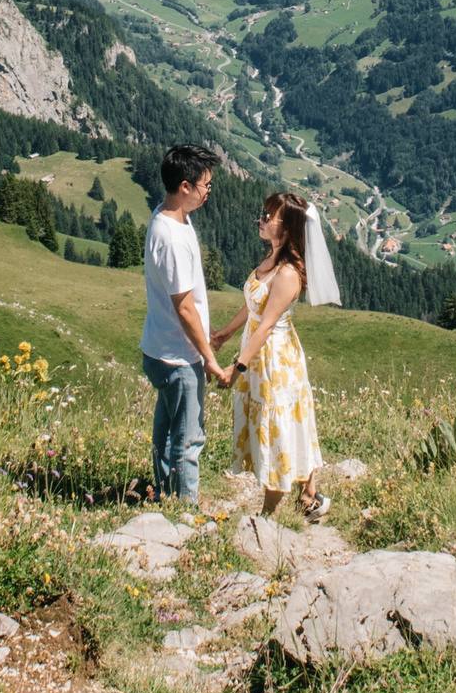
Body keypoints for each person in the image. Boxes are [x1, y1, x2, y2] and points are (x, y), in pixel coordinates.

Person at [213, 189, 338, 520]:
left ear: (288, 228)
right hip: (261, 352)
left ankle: (269, 514)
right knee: (287, 423)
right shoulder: (271, 261)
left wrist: (236, 369)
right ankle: (308, 496)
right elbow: (255, 306)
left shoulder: (287, 274)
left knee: (279, 425)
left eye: (270, 216)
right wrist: (226, 332)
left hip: (275, 360)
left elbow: (267, 325)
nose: (262, 219)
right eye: (264, 213)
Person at [140, 143, 228, 500]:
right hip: (179, 357)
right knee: (189, 438)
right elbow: (184, 307)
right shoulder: (173, 237)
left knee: (166, 431)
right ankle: (186, 511)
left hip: (160, 347)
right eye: (205, 185)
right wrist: (208, 356)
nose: (209, 192)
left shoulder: (169, 217)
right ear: (185, 187)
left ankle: (164, 495)